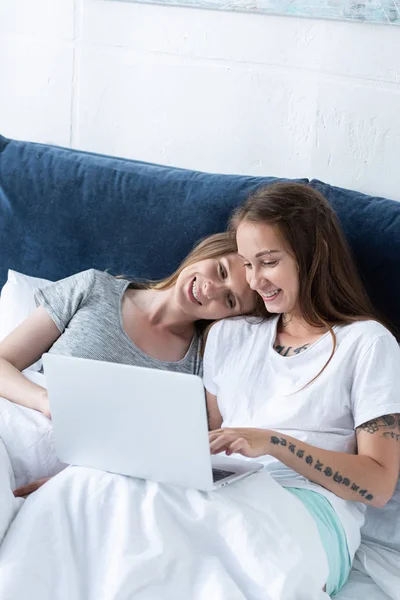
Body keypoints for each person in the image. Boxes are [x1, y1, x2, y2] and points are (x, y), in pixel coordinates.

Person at [205, 183, 400, 596]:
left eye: (268, 262)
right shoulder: (228, 336)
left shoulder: (367, 344)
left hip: (312, 510)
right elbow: (204, 443)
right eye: (246, 264)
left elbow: (379, 485)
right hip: (225, 494)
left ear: (314, 255)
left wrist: (276, 443)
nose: (255, 280)